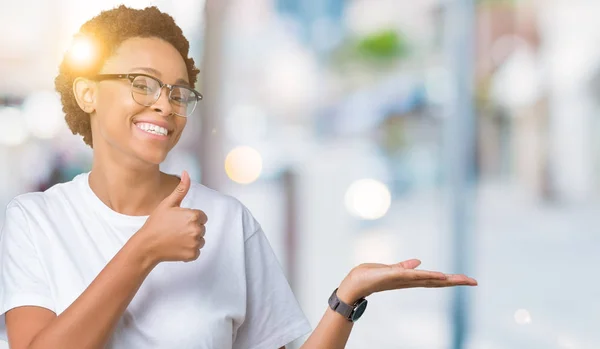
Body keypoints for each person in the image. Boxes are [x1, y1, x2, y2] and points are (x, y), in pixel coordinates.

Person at [0, 5, 477, 349]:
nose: (165, 104)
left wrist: (347, 296)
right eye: (142, 84)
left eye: (180, 93)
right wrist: (143, 250)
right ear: (87, 93)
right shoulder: (34, 221)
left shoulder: (227, 221)